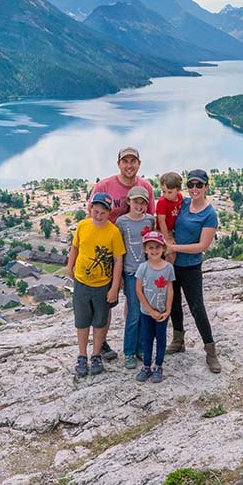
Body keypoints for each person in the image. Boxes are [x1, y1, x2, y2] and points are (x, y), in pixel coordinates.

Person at [89, 146, 155, 361]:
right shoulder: (105, 185)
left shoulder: (145, 187)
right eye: (125, 161)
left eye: (133, 161)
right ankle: (102, 342)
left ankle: (133, 339)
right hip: (106, 251)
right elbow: (92, 216)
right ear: (118, 164)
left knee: (134, 299)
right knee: (106, 298)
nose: (129, 165)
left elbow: (152, 220)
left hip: (135, 255)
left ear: (139, 163)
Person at [165, 169, 221, 373]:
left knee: (197, 308)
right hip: (173, 265)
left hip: (191, 267)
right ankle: (178, 340)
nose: (194, 189)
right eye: (191, 185)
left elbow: (202, 246)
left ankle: (211, 351)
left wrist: (174, 248)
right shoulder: (184, 204)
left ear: (206, 186)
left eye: (199, 185)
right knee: (174, 304)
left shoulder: (209, 214)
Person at [67, 192, 125, 377]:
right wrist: (70, 266)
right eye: (96, 211)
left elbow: (118, 260)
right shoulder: (83, 226)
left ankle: (96, 355)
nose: (98, 216)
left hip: (103, 285)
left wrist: (115, 287)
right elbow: (75, 247)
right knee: (82, 321)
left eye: (103, 213)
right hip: (82, 282)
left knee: (100, 321)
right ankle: (82, 355)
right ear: (90, 209)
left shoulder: (113, 232)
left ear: (109, 213)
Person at [115, 186, 155, 370]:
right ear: (129, 201)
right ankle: (129, 352)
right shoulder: (121, 222)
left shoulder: (150, 220)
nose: (139, 205)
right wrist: (120, 276)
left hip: (147, 273)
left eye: (143, 202)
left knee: (146, 312)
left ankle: (141, 348)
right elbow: (119, 251)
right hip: (131, 273)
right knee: (133, 314)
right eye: (136, 201)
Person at [134, 231, 175, 384]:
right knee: (147, 338)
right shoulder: (143, 268)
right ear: (145, 249)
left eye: (158, 247)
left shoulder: (168, 268)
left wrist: (168, 310)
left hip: (163, 312)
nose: (154, 250)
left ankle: (158, 366)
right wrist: (150, 311)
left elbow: (170, 289)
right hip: (147, 312)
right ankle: (146, 366)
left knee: (161, 338)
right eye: (150, 247)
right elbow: (138, 290)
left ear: (163, 249)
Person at [155, 171, 184, 263]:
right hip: (162, 230)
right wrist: (166, 238)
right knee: (170, 251)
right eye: (164, 192)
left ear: (178, 190)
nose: (166, 195)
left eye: (169, 192)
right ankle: (167, 270)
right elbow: (161, 221)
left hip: (172, 229)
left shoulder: (180, 197)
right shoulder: (162, 202)